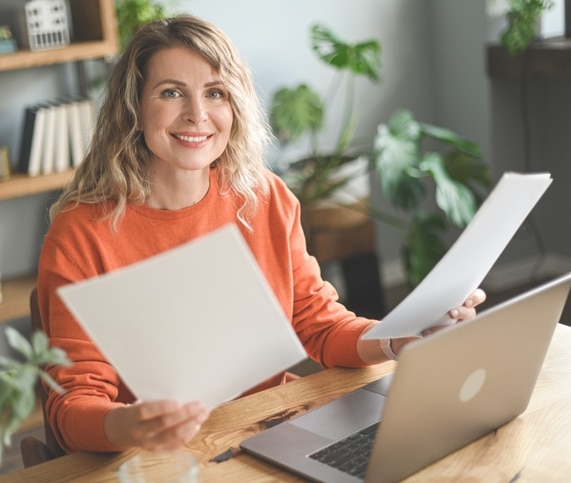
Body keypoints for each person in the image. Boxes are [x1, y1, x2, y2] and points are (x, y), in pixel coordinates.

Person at [36, 14, 486, 455]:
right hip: (154, 456)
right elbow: (72, 405)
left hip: (269, 428)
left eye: (215, 93)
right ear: (133, 109)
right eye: (171, 92)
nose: (197, 114)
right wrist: (129, 423)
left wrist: (397, 337)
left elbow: (318, 323)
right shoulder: (81, 233)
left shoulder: (264, 197)